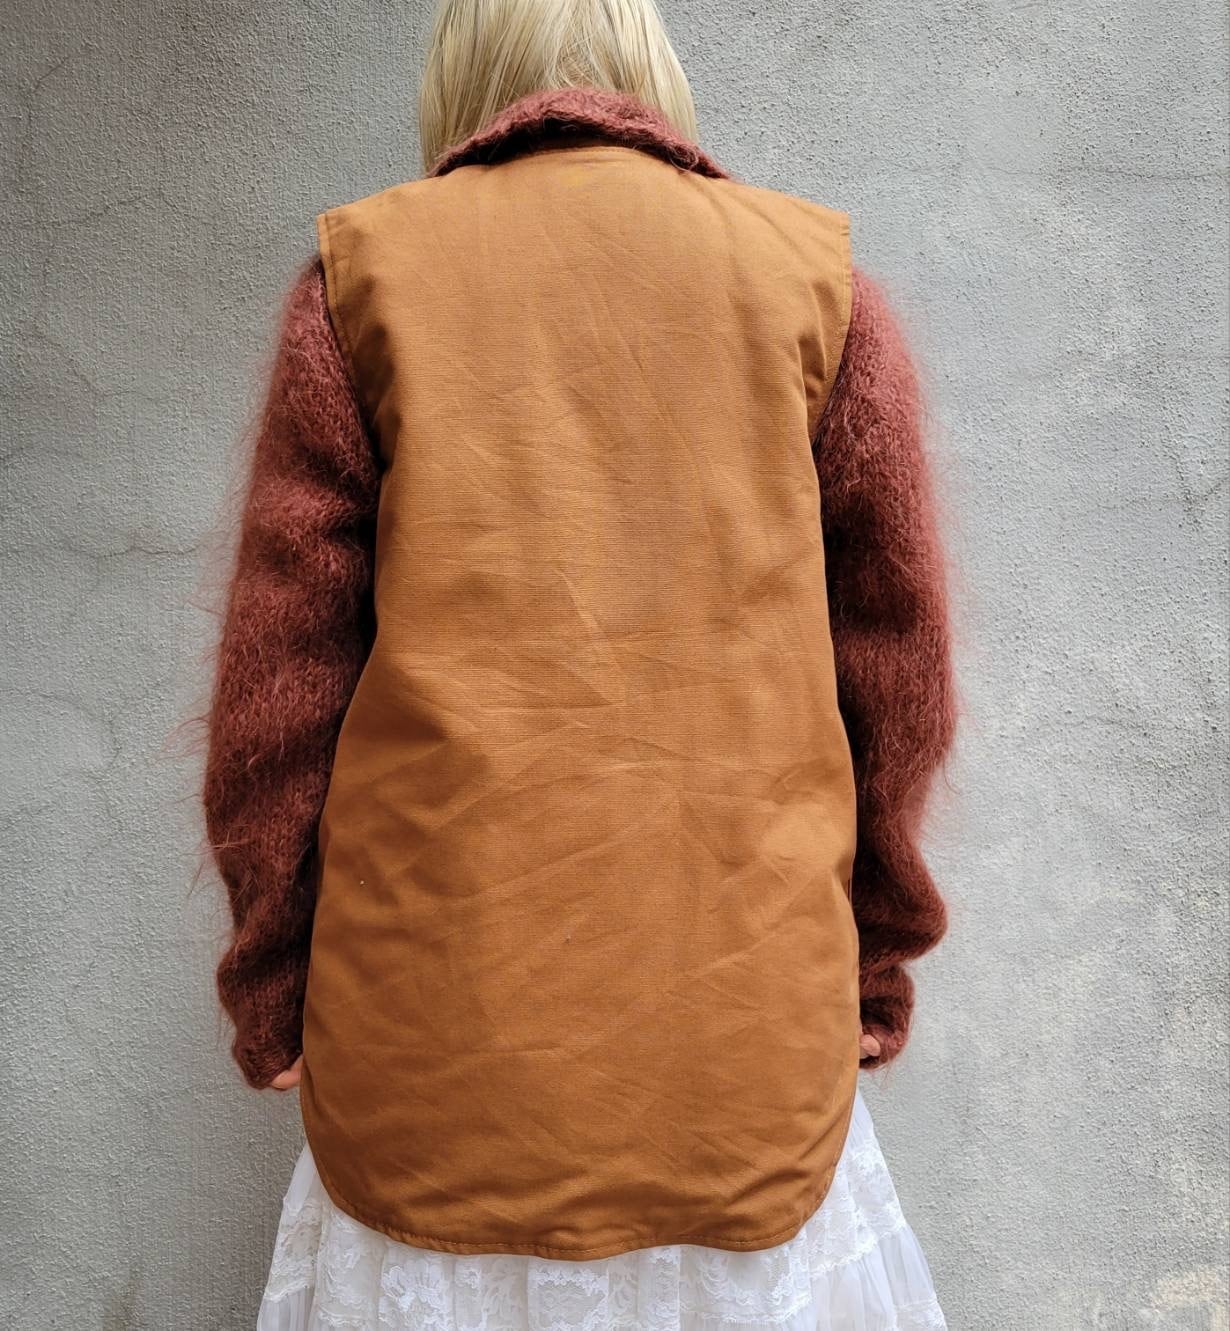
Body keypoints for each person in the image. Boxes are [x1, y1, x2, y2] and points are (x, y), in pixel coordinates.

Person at [202, 1, 958, 1326]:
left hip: (438, 1049)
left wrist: (272, 982)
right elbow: (895, 680)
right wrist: (873, 964)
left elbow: (281, 694)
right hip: (738, 1041)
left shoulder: (362, 283)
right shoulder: (812, 285)